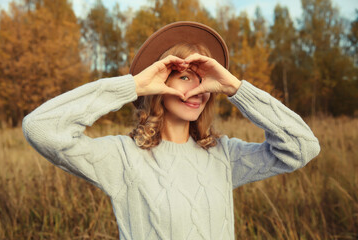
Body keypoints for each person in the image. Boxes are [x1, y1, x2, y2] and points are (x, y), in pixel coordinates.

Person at [22, 21, 320, 240]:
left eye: (204, 79)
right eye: (185, 77)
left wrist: (234, 88)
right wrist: (133, 86)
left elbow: (303, 148)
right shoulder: (123, 157)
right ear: (159, 83)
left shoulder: (223, 156)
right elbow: (41, 128)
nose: (199, 90)